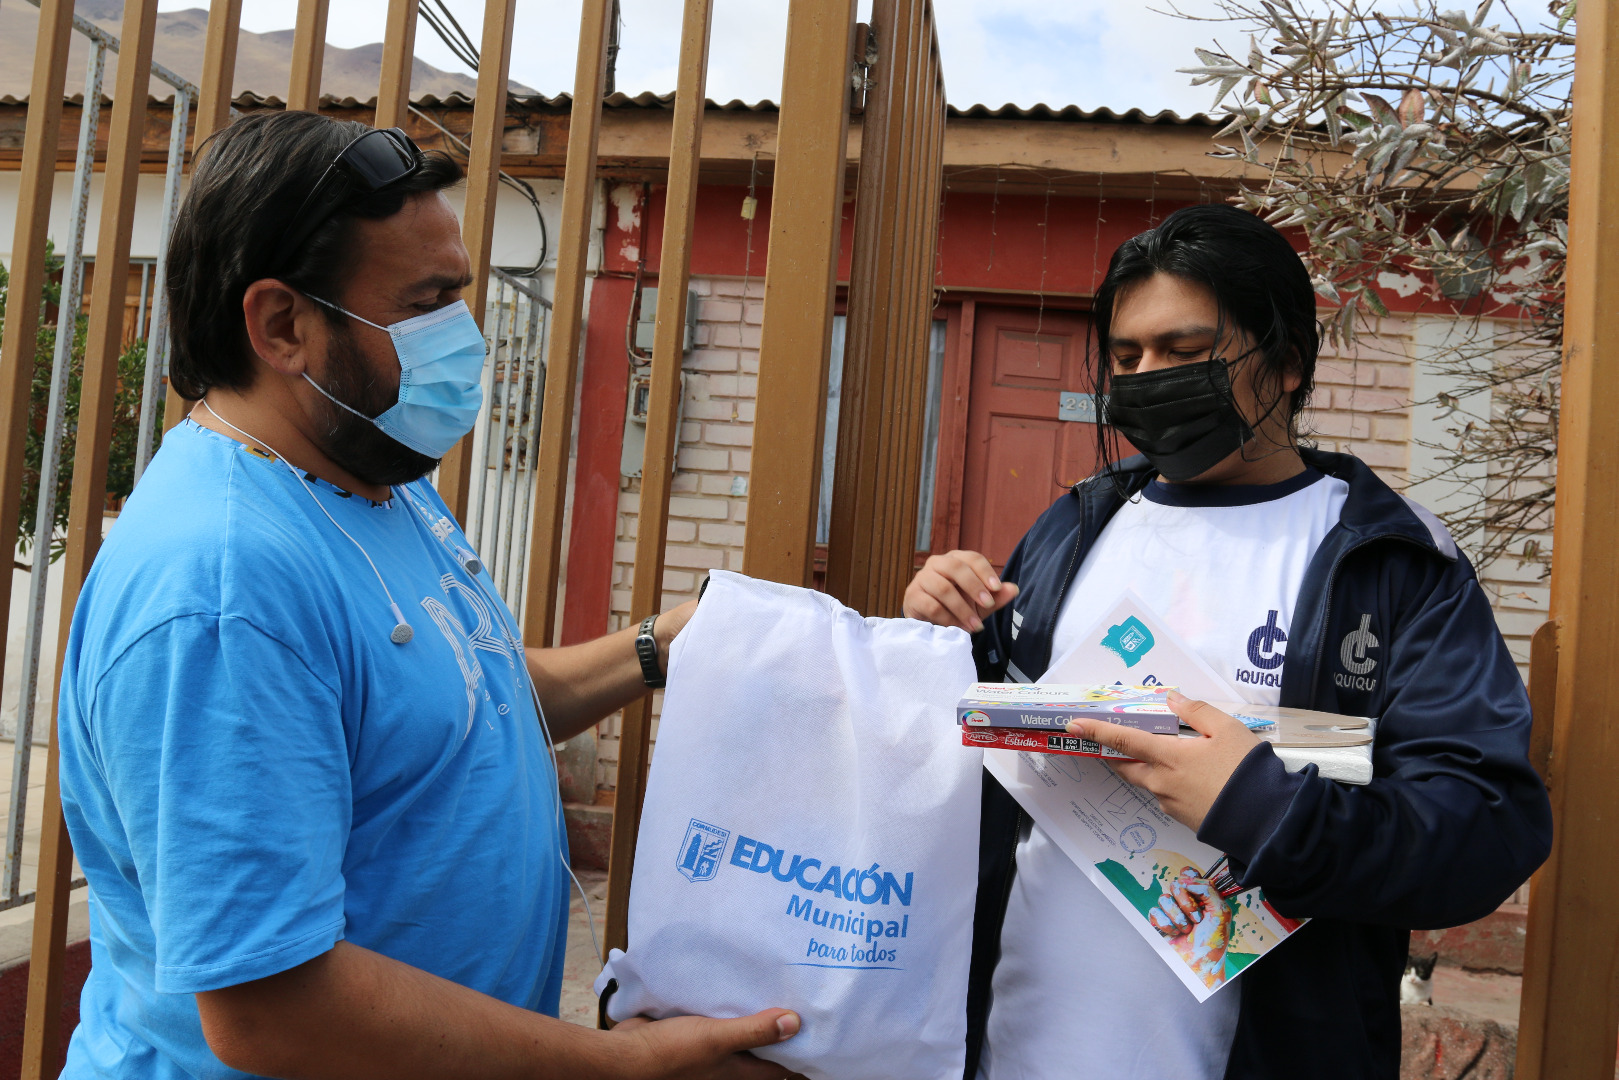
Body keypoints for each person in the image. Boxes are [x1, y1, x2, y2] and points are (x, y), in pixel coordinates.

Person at [56, 112, 799, 1079]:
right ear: (282, 324)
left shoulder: (373, 478)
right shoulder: (224, 589)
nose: (467, 334)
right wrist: (612, 1065)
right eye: (430, 300)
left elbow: (462, 700)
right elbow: (270, 1006)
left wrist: (660, 646)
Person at [902, 204, 1552, 1079]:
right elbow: (986, 742)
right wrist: (942, 636)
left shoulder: (1391, 563)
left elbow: (1484, 828)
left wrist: (1267, 811)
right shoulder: (1074, 523)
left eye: (1183, 350)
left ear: (1284, 363)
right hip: (1012, 1049)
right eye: (1126, 356)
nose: (1144, 376)